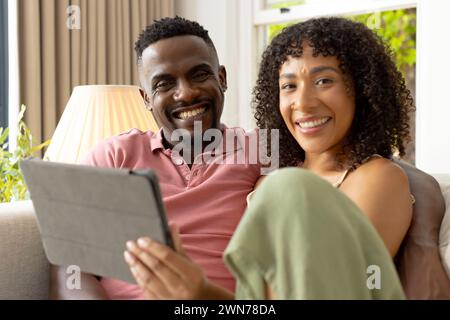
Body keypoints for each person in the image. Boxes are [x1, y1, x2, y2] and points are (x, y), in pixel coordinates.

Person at [124, 17, 414, 299]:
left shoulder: (376, 177)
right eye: (289, 86)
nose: (303, 102)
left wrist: (201, 294)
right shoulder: (267, 170)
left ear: (362, 89)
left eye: (324, 80)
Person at [49, 16, 261, 300]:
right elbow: (70, 262)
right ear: (146, 98)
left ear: (221, 78)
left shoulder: (261, 151)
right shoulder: (114, 156)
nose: (185, 93)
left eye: (199, 74)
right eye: (164, 84)